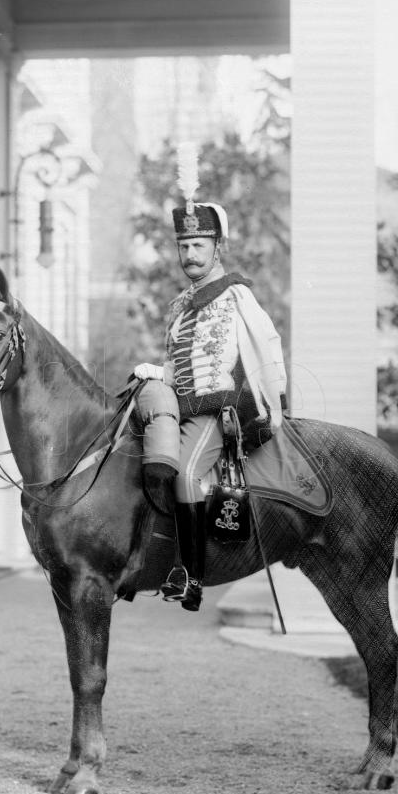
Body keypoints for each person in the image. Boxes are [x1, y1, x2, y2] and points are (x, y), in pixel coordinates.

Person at [133, 144, 287, 612]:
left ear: (218, 247)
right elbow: (177, 368)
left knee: (182, 474)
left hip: (216, 413)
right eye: (183, 246)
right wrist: (154, 372)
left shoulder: (236, 296)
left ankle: (192, 577)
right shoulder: (179, 308)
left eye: (198, 245)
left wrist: (272, 402)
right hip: (179, 408)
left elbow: (268, 343)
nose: (190, 254)